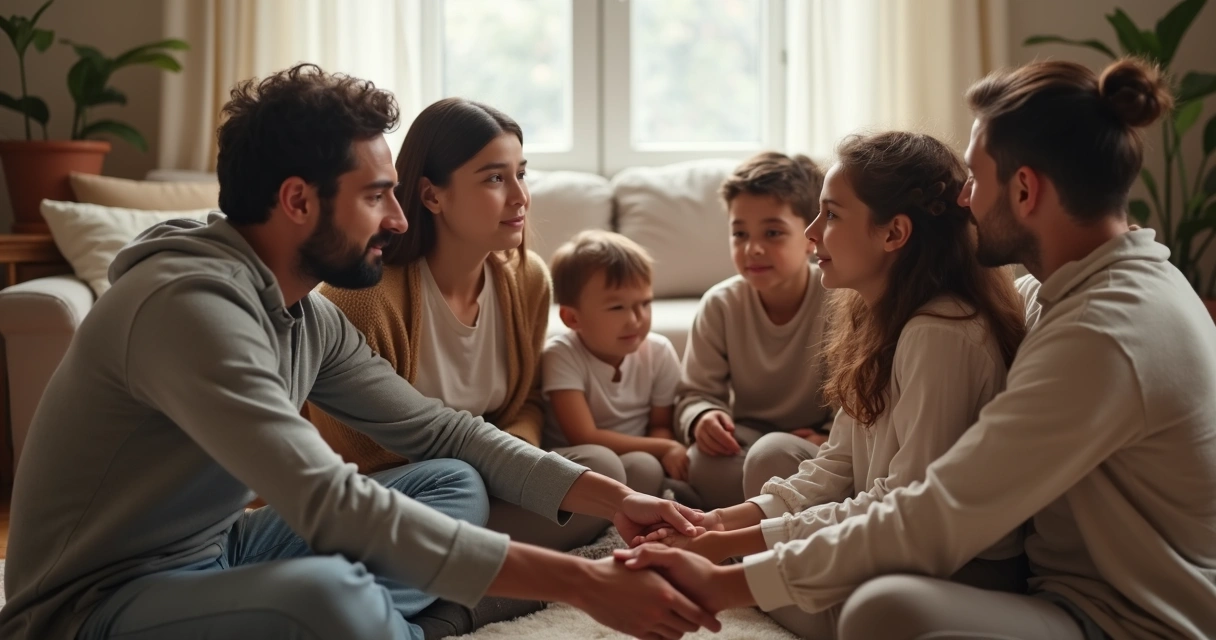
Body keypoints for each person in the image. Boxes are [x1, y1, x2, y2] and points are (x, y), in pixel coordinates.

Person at [0, 64, 720, 640]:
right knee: (324, 594)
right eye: (378, 196)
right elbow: (326, 500)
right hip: (92, 602)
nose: (400, 218)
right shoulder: (187, 309)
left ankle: (404, 621)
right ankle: (420, 621)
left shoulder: (302, 311)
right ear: (297, 201)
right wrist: (583, 584)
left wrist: (619, 497)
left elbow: (443, 429)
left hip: (218, 547)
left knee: (450, 481)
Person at [616, 57, 1216, 640]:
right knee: (777, 462)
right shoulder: (1077, 285)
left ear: (1026, 190)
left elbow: (936, 513)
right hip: (1059, 584)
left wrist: (722, 577)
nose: (960, 200)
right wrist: (720, 532)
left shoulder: (1102, 333)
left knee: (882, 612)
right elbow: (852, 462)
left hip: (1122, 616)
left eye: (975, 180)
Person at [640, 130, 1029, 637]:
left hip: (957, 571)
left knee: (840, 610)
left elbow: (903, 509)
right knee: (773, 533)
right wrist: (719, 526)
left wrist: (723, 553)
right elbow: (838, 463)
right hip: (893, 542)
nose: (815, 232)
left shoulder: (941, 334)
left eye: (832, 215)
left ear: (893, 234)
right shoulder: (883, 318)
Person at [304, 97, 627, 552]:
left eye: (521, 173)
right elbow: (365, 453)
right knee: (477, 486)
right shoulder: (360, 300)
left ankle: (463, 577)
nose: (520, 196)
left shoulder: (528, 279)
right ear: (432, 195)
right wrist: (495, 474)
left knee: (613, 468)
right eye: (495, 177)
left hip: (482, 476)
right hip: (396, 496)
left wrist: (513, 465)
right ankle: (471, 581)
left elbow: (526, 404)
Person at [676, 151, 835, 509]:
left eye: (773, 232)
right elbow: (694, 393)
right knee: (703, 461)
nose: (753, 248)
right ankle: (760, 523)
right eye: (739, 233)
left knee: (771, 457)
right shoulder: (720, 305)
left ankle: (752, 533)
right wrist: (703, 417)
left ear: (812, 237)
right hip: (745, 436)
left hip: (813, 444)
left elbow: (860, 394)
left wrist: (828, 435)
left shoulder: (839, 303)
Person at [544, 230, 700, 506]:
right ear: (572, 317)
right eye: (617, 307)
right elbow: (583, 436)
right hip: (582, 461)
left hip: (639, 455)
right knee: (633, 468)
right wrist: (664, 448)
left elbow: (660, 423)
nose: (636, 319)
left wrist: (666, 451)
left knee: (652, 467)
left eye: (645, 304)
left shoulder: (659, 351)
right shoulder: (561, 355)